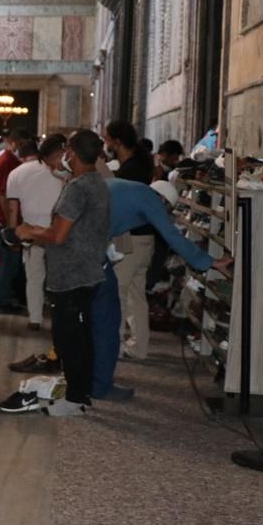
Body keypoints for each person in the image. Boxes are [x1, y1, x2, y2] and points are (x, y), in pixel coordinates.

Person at [0, 178, 233, 413]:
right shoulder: (150, 200)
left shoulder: (123, 187)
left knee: (86, 322)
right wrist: (209, 262)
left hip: (74, 253)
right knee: (106, 321)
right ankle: (97, 386)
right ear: (164, 201)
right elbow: (172, 236)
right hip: (83, 259)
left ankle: (86, 381)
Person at [8, 131, 111, 417]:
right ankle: (80, 391)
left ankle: (75, 399)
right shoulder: (97, 183)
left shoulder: (78, 188)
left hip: (72, 275)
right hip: (86, 269)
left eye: (67, 150)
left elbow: (58, 235)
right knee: (79, 337)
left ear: (72, 154)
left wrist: (29, 231)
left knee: (70, 340)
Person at [105, 121, 157, 360]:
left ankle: (113, 347)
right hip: (144, 237)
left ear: (116, 141)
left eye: (107, 139)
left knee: (118, 294)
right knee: (137, 295)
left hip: (129, 237)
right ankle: (138, 347)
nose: (105, 143)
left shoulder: (130, 169)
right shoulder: (139, 164)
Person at [5, 135, 66, 331]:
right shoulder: (61, 172)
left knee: (34, 275)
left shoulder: (15, 173)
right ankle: (60, 317)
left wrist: (14, 235)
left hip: (30, 230)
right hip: (57, 228)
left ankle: (35, 318)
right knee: (58, 276)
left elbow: (13, 209)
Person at [0, 128, 31, 312]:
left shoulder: (2, 159)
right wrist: (11, 225)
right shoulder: (9, 162)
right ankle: (1, 300)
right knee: (8, 263)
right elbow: (5, 195)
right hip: (5, 217)